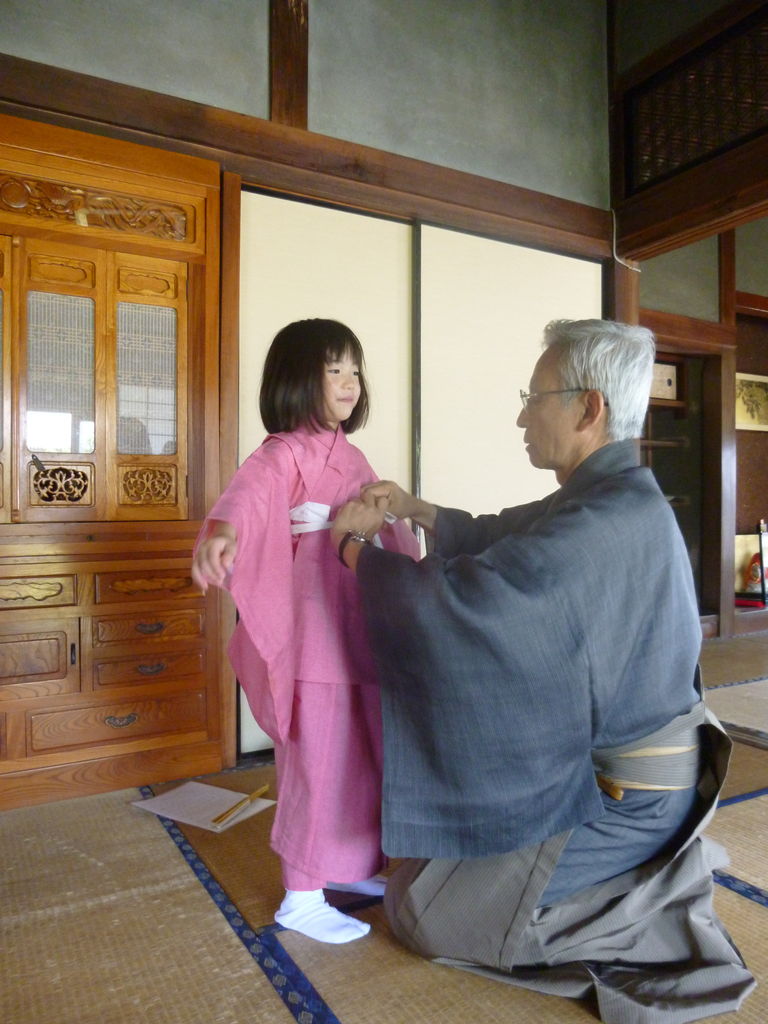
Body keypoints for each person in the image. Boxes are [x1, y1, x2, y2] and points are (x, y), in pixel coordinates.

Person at [329, 319, 755, 1021]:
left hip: (628, 799)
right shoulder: (615, 495)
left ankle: (651, 908)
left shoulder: (603, 520)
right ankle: (644, 877)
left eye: (535, 397)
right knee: (423, 869)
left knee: (420, 910)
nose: (523, 416)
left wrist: (353, 550)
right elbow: (503, 532)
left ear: (589, 408)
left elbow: (469, 602)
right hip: (624, 773)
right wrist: (412, 508)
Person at [191, 318, 419, 944]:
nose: (350, 382)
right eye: (334, 369)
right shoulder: (282, 453)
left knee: (362, 753)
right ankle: (301, 893)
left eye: (354, 370)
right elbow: (246, 499)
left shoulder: (352, 455)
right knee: (317, 756)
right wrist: (225, 535)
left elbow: (383, 514)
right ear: (297, 377)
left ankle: (347, 866)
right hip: (315, 627)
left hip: (357, 624)